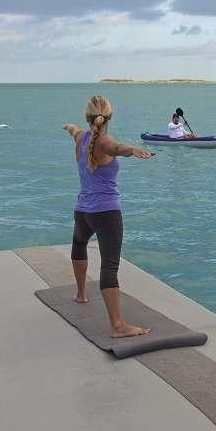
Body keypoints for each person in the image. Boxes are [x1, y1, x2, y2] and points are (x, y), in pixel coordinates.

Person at [61, 95, 154, 338]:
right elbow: (116, 148)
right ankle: (118, 326)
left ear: (87, 117)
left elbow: (73, 130)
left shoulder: (81, 136)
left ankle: (81, 293)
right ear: (109, 117)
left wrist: (68, 126)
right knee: (109, 266)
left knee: (79, 244)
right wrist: (132, 149)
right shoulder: (104, 141)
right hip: (106, 213)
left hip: (82, 210)